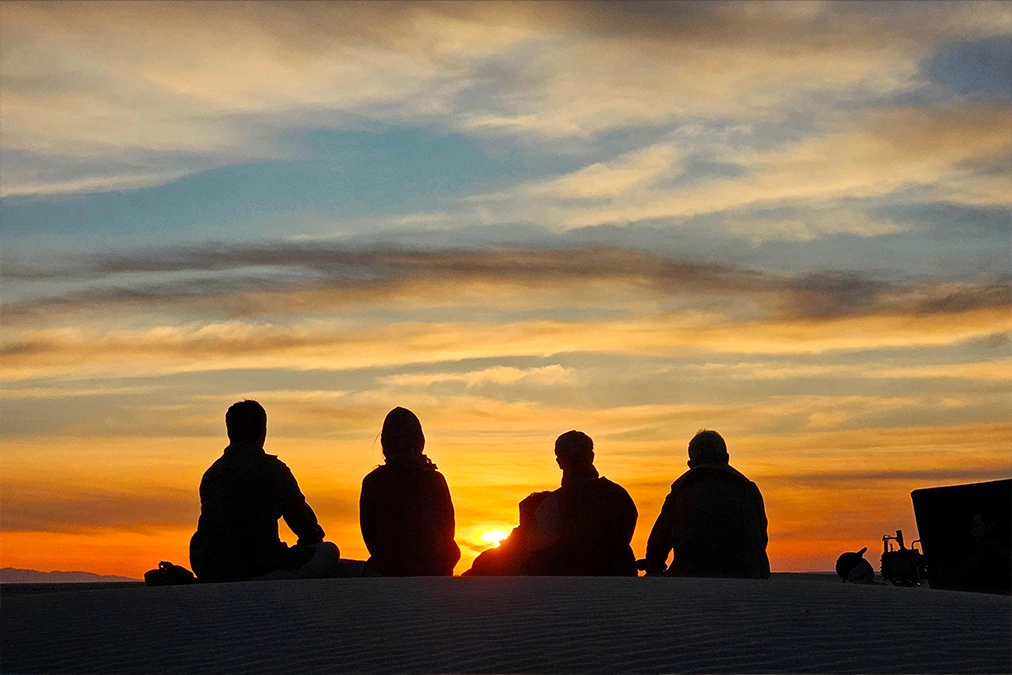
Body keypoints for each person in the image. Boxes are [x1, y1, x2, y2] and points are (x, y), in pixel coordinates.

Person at [189, 400, 340, 582]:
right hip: (257, 561)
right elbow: (303, 524)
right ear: (263, 431)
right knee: (328, 551)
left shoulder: (212, 473)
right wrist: (307, 544)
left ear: (229, 432)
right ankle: (277, 580)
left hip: (208, 564)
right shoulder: (272, 469)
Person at [465, 430, 638, 576]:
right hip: (620, 575)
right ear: (591, 457)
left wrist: (515, 537)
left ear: (559, 462)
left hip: (567, 583)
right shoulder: (620, 495)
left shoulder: (554, 503)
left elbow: (531, 545)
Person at [643, 429, 770, 578]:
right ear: (727, 458)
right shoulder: (748, 489)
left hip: (691, 574)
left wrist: (653, 565)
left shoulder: (683, 488)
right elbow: (762, 538)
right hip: (748, 574)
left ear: (690, 464)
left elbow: (659, 540)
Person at [359, 407, 460, 576]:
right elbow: (448, 532)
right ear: (420, 441)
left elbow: (370, 538)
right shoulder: (435, 479)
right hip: (434, 569)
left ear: (385, 443)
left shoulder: (372, 481)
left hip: (388, 570)